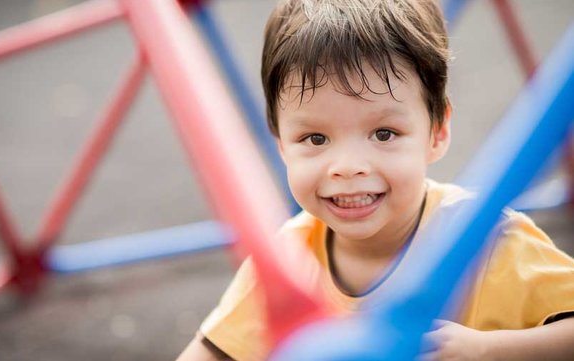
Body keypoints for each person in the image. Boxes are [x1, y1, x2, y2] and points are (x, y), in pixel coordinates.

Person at [177, 0, 574, 360]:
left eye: (384, 134)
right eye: (315, 138)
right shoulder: (288, 260)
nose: (347, 167)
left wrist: (490, 350)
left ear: (437, 131)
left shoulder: (488, 240)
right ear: (281, 144)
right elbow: (211, 352)